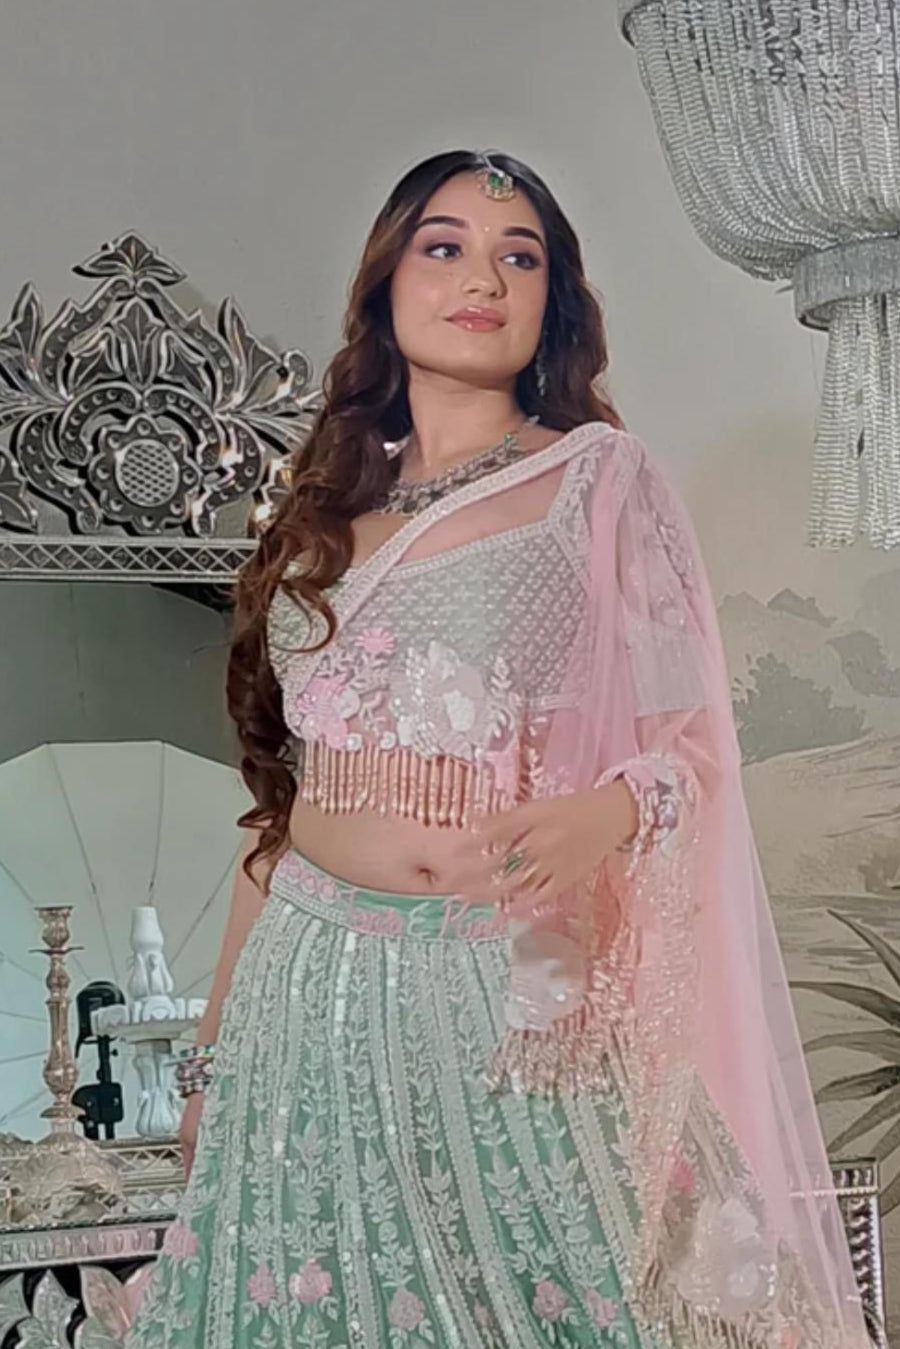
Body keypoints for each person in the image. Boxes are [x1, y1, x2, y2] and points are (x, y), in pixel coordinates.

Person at [124, 149, 873, 1348]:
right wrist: (211, 1062)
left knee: (603, 1289)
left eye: (518, 258)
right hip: (303, 996)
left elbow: (695, 749)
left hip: (504, 980)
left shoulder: (597, 481)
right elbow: (277, 821)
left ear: (550, 302)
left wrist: (607, 811)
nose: (483, 279)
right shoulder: (321, 520)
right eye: (446, 247)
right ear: (385, 284)